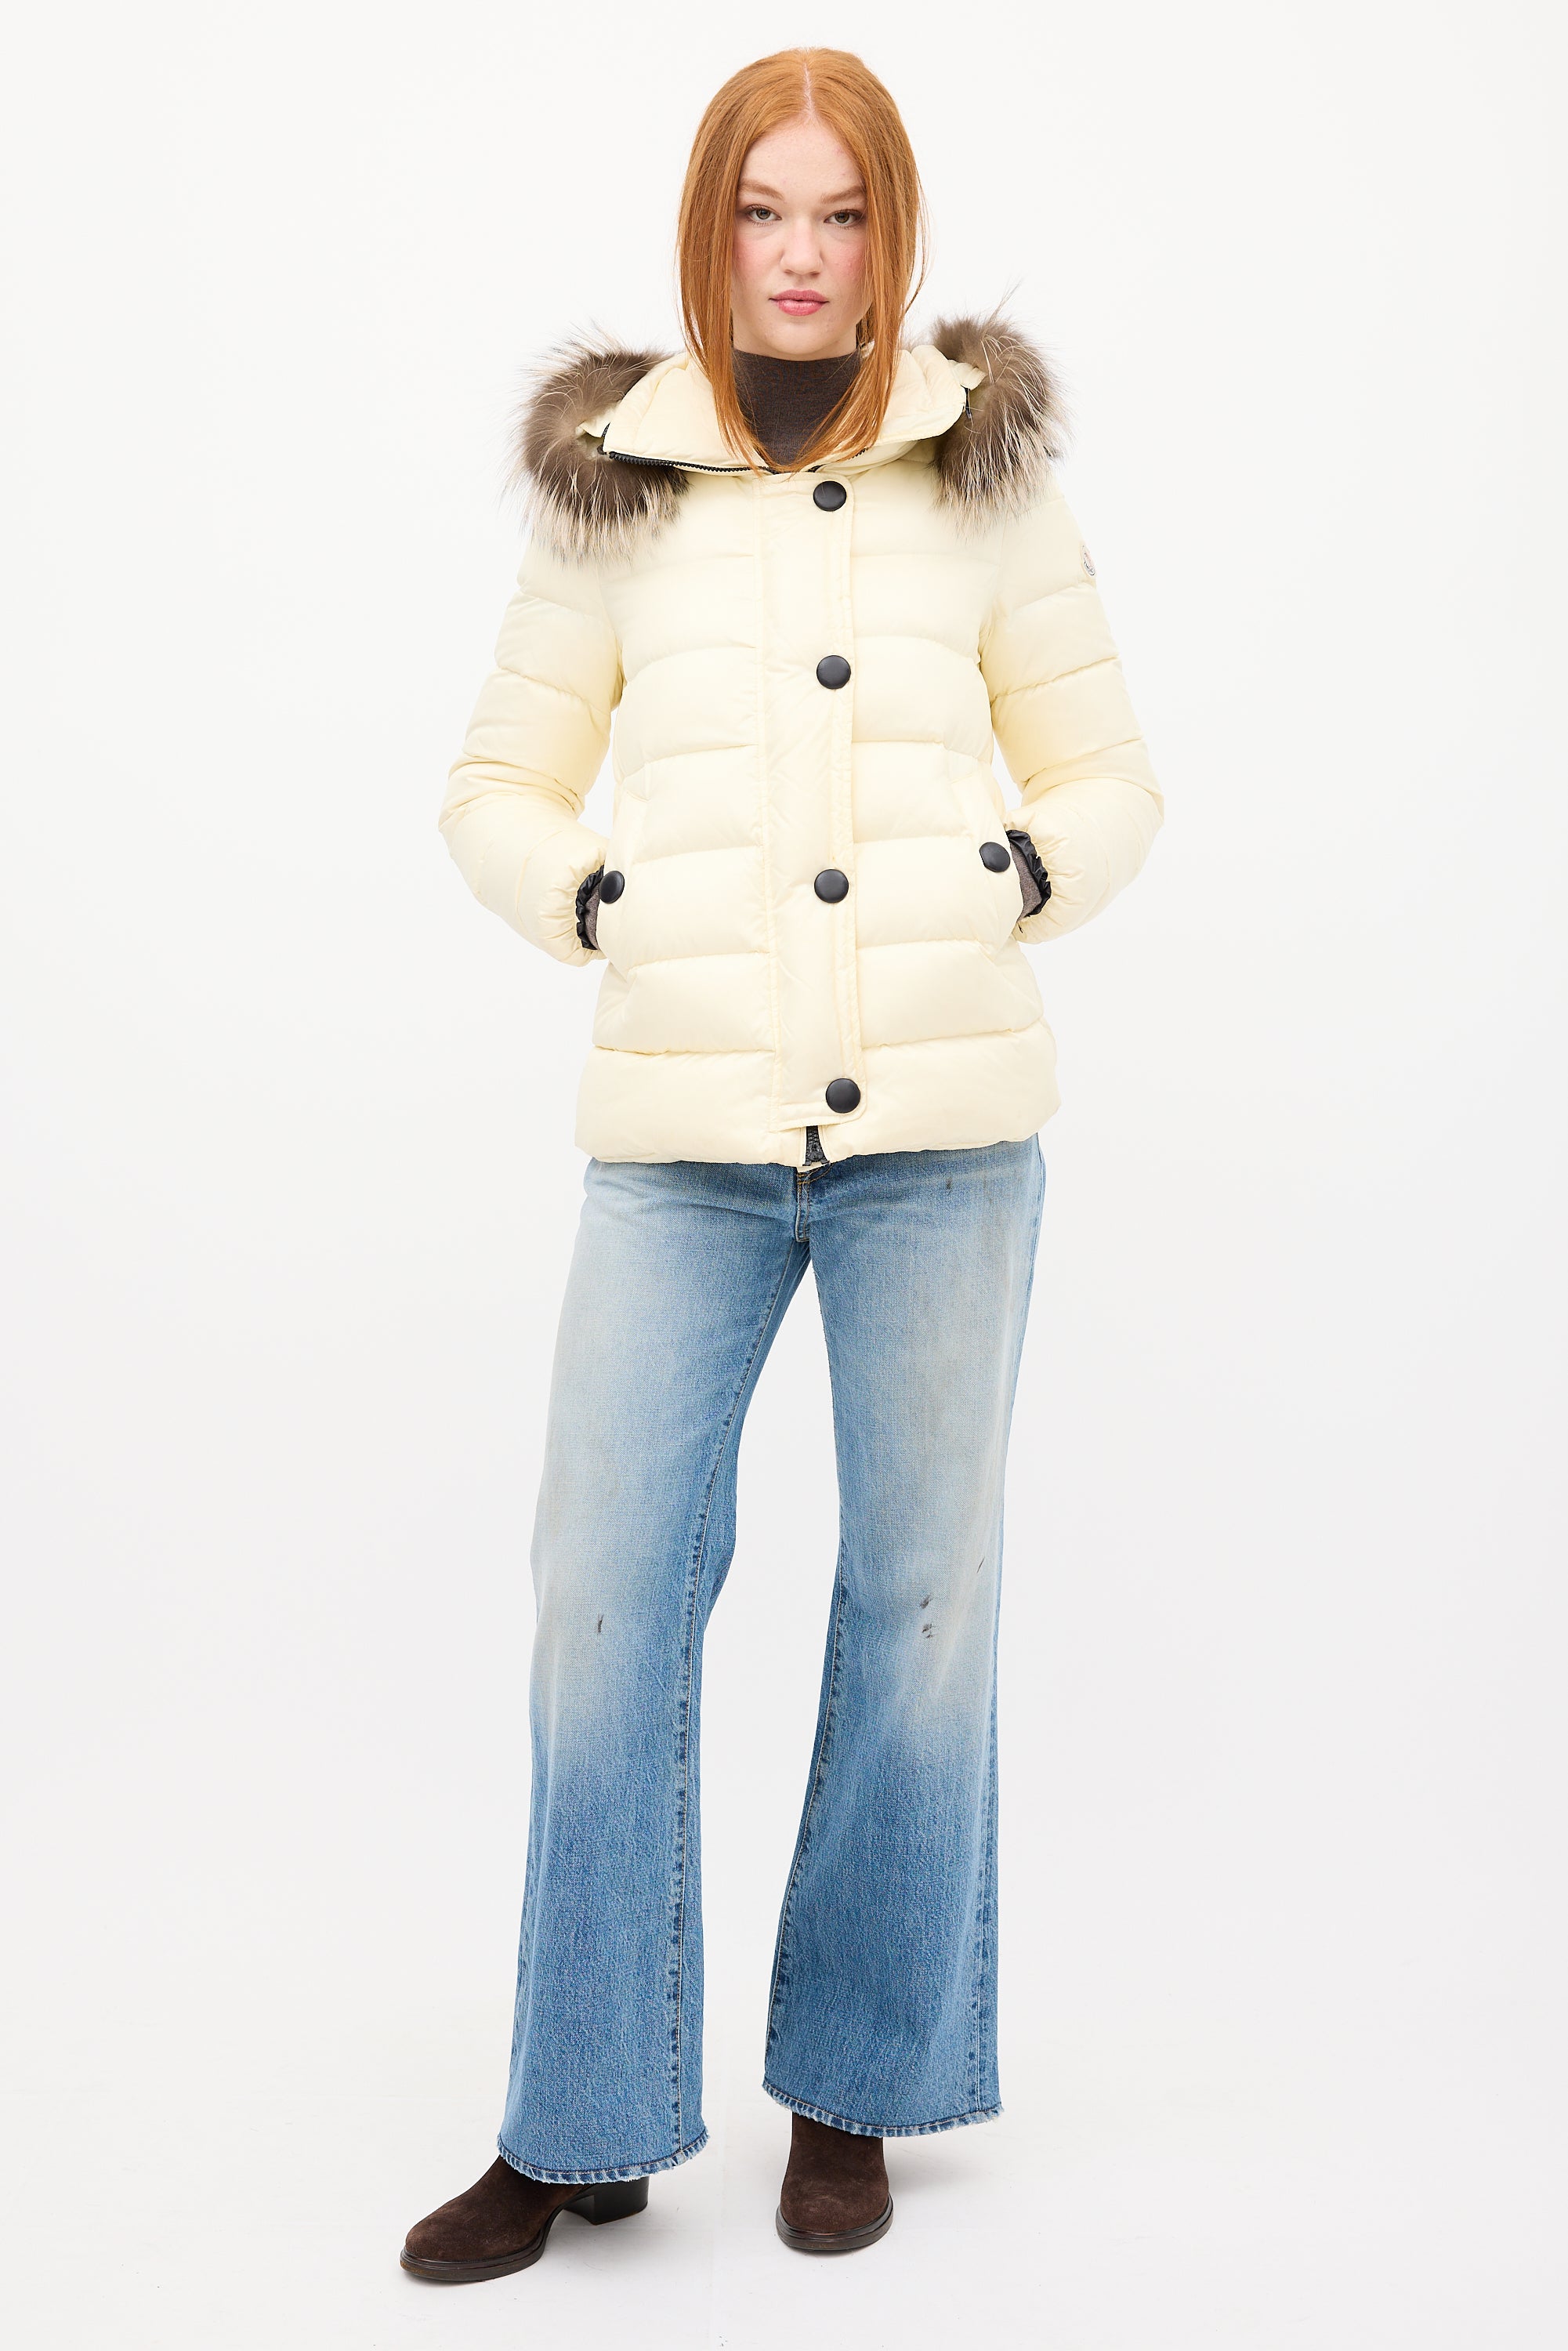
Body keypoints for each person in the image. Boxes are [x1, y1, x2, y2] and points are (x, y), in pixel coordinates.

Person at [401, 45, 1162, 2282]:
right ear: (708, 228)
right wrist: (600, 902)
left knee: (921, 1605)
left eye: (842, 215)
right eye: (764, 212)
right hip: (681, 1139)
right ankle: (580, 2115)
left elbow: (1111, 776)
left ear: (890, 230)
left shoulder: (985, 481)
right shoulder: (617, 491)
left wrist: (1008, 876)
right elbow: (494, 783)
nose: (803, 259)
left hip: (946, 1136)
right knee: (602, 1598)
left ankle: (855, 2094)